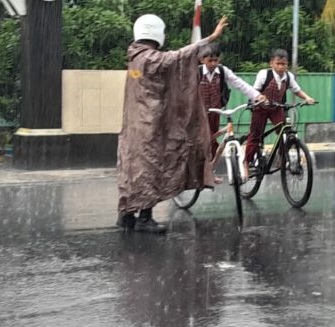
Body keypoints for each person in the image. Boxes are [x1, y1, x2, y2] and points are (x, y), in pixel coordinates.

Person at [117, 14, 229, 234]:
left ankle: (127, 215)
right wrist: (209, 38)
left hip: (135, 124)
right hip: (149, 124)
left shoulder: (135, 57)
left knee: (133, 168)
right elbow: (177, 58)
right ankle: (144, 218)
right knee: (149, 168)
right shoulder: (149, 58)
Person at [243, 49, 315, 177]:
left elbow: (297, 90)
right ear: (271, 63)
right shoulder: (264, 74)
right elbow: (254, 91)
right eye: (278, 63)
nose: (281, 67)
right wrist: (260, 99)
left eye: (284, 64)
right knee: (255, 136)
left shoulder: (288, 76)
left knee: (285, 131)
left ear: (287, 65)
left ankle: (282, 157)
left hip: (276, 108)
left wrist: (307, 98)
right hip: (260, 108)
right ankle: (246, 163)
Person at [197, 43, 267, 170]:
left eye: (215, 60)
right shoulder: (197, 72)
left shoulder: (223, 71)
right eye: (210, 60)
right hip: (198, 112)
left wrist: (257, 96)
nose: (213, 63)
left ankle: (209, 170)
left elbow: (239, 83)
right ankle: (196, 168)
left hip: (215, 111)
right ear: (202, 60)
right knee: (200, 140)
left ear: (219, 59)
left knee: (212, 140)